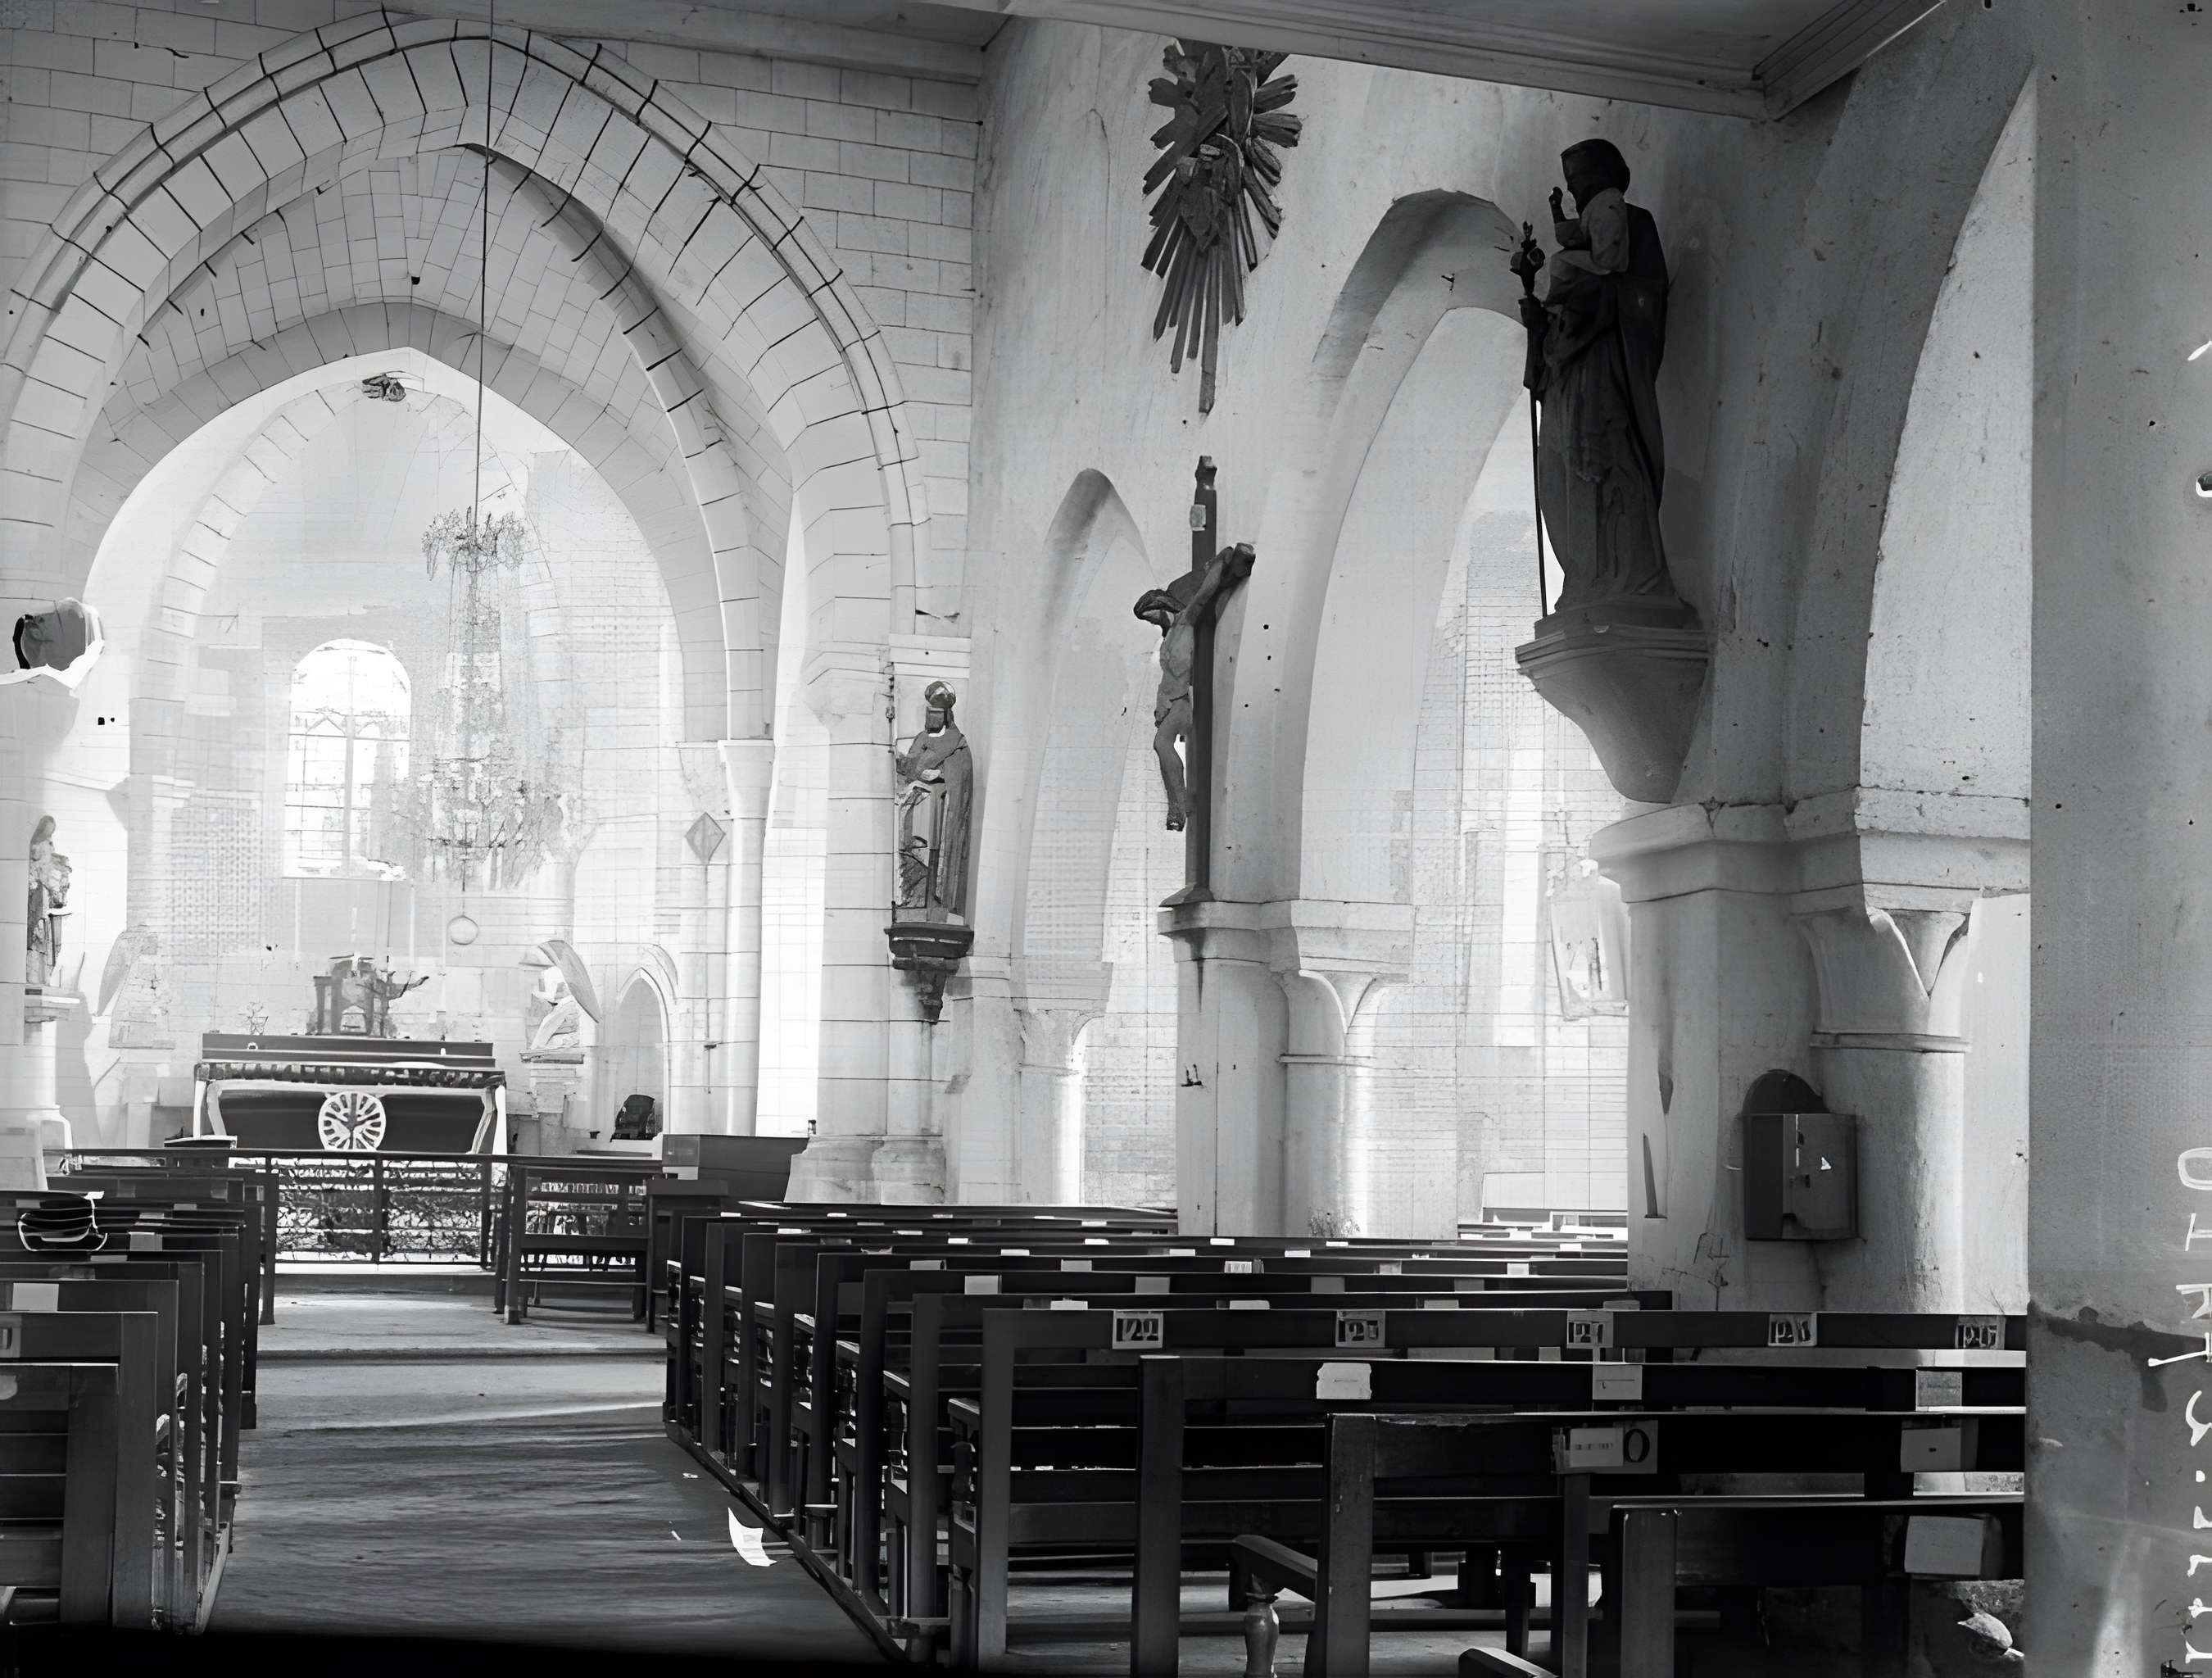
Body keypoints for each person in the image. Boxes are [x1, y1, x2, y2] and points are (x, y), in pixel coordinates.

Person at [1509, 138, 1682, 616]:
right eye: (1571, 185)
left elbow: (1632, 296)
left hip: (1604, 373)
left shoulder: (1627, 225)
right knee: (1561, 475)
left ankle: (1628, 579)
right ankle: (1586, 579)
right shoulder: (1582, 249)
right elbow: (1560, 332)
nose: (1575, 193)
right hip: (1570, 379)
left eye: (1581, 181)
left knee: (1606, 465)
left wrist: (1573, 310)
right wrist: (1543, 324)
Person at [1135, 542, 1255, 831]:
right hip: (1170, 703)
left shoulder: (1186, 622)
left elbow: (1204, 595)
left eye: (1155, 613)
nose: (1153, 620)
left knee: (1161, 744)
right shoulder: (1169, 638)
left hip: (1183, 701)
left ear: (1165, 606)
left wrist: (1219, 564)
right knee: (1161, 746)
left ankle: (1178, 807)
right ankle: (1177, 804)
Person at [893, 681, 974, 920]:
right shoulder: (921, 738)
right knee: (913, 860)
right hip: (916, 811)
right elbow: (911, 766)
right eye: (931, 712)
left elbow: (962, 775)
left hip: (941, 815)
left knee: (935, 862)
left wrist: (941, 773)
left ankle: (936, 911)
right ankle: (911, 908)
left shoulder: (957, 743)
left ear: (947, 714)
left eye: (938, 713)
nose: (933, 717)